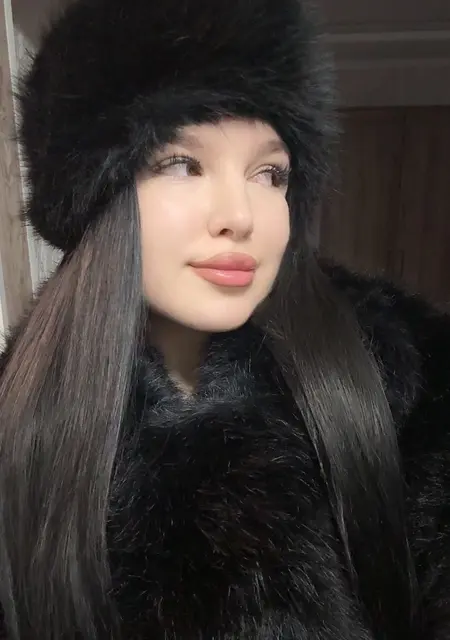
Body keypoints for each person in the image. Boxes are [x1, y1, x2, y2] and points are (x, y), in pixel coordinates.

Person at [0, 0, 449, 638]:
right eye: (182, 163)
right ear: (97, 195)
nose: (240, 214)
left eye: (271, 173)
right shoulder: (20, 422)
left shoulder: (409, 377)